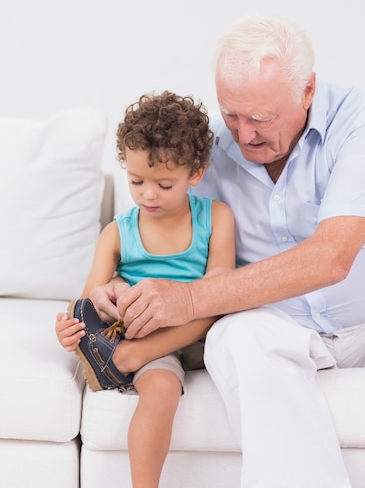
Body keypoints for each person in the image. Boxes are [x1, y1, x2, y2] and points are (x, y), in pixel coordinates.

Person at [90, 14, 365, 488]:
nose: (244, 136)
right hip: (274, 322)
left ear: (307, 91)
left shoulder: (364, 121)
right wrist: (118, 287)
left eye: (261, 118)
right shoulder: (210, 151)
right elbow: (147, 231)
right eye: (232, 115)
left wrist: (190, 300)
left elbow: (332, 257)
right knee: (236, 339)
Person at [55, 90, 235, 488]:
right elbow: (88, 303)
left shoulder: (217, 217)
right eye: (137, 181)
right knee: (160, 390)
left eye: (165, 184)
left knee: (220, 296)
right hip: (150, 331)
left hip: (202, 325)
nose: (148, 194)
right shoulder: (117, 232)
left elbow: (220, 290)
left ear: (196, 171)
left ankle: (125, 359)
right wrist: (73, 326)